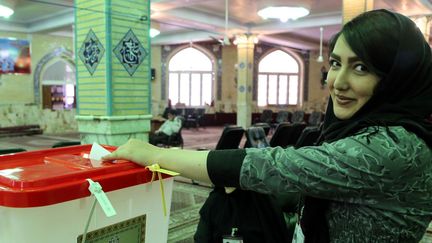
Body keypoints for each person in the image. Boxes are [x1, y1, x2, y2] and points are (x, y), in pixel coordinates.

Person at [103, 9, 432, 242]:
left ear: (396, 78)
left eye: (361, 67)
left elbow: (278, 167)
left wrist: (150, 152)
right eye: (335, 64)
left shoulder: (394, 148)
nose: (338, 82)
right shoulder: (364, 130)